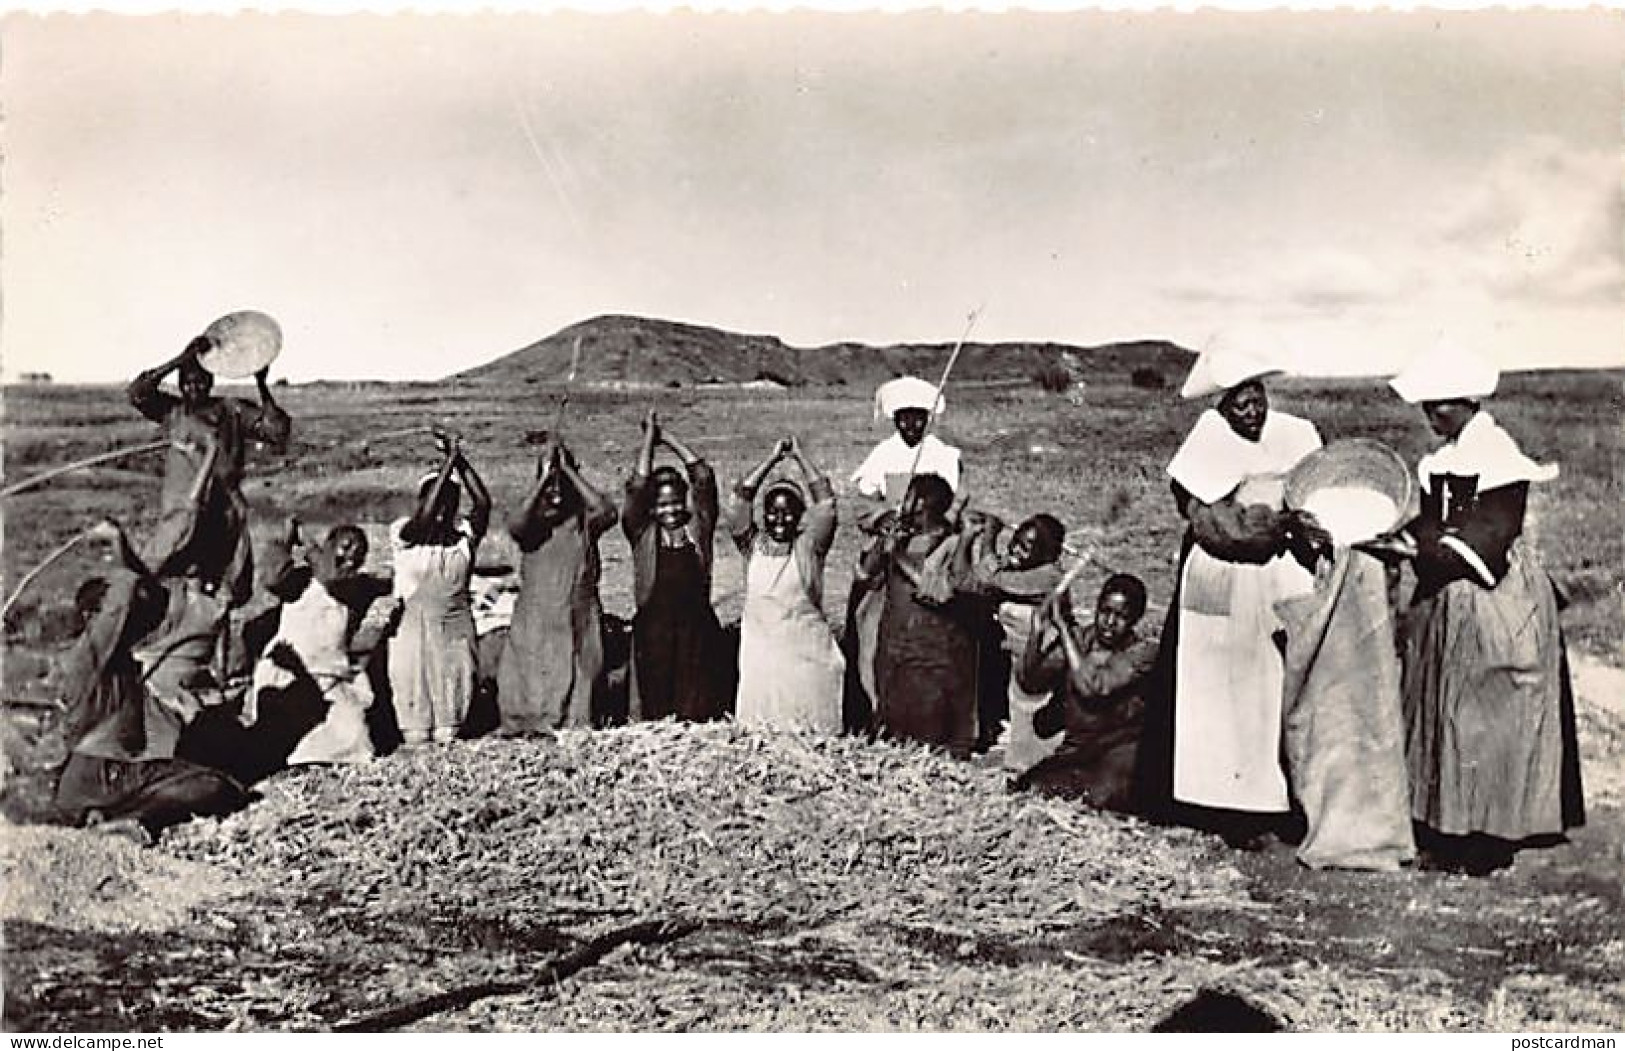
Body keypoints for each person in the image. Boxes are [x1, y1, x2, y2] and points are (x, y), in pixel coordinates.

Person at [1373, 341, 1584, 875]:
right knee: (1445, 706)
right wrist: (1406, 538)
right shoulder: (1442, 460)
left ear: (1466, 402)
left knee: (1490, 707)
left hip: (1495, 593)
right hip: (1450, 593)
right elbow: (1436, 520)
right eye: (1425, 406)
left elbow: (1492, 532)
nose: (1430, 415)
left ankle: (1491, 834)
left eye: (1438, 404)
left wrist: (1421, 550)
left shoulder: (1496, 456)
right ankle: (1448, 823)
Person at [1152, 332, 1331, 847]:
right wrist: (1275, 526)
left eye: (1257, 399)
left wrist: (1300, 527)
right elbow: (1213, 522)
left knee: (1278, 681)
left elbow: (1313, 489)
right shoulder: (1206, 439)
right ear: (1222, 405)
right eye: (1239, 404)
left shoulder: (1294, 434)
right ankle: (1227, 807)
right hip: (1226, 570)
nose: (1251, 411)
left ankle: (1284, 799)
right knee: (1222, 691)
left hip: (1282, 570)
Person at [127, 332, 291, 605]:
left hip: (223, 508)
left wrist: (261, 383)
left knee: (224, 581)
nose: (194, 388)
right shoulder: (173, 412)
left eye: (200, 381)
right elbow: (138, 394)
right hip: (182, 510)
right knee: (162, 570)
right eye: (187, 382)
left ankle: (212, 634)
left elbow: (276, 430)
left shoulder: (232, 410)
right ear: (179, 385)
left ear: (210, 381)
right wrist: (181, 358)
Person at [844, 376, 965, 734]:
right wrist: (885, 519)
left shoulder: (943, 455)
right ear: (894, 419)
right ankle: (873, 706)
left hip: (932, 550)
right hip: (889, 547)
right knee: (867, 618)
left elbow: (957, 507)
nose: (912, 425)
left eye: (919, 417)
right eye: (904, 417)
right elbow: (861, 507)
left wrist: (932, 525)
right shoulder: (883, 454)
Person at [245, 518, 394, 764]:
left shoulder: (356, 590)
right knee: (281, 740)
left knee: (356, 737)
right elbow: (270, 578)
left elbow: (383, 582)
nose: (350, 557)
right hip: (289, 677)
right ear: (328, 546)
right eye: (345, 547)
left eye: (358, 555)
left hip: (330, 680)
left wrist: (313, 550)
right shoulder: (300, 581)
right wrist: (285, 540)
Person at [497, 434, 618, 734]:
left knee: (579, 679)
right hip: (538, 619)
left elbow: (608, 511)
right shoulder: (532, 525)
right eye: (549, 485)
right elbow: (516, 524)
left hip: (579, 617)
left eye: (562, 484)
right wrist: (545, 479)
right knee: (535, 681)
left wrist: (568, 472)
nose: (556, 492)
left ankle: (574, 728)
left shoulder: (583, 523)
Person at [1011, 574, 1160, 812]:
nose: (1110, 622)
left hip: (1120, 748)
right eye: (1105, 611)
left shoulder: (1142, 653)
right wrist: (1036, 634)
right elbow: (1031, 682)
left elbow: (1094, 688)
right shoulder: (1081, 640)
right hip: (1080, 750)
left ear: (1135, 620)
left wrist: (1064, 629)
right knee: (1030, 788)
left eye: (1121, 617)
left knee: (1101, 797)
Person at [726, 435, 844, 731]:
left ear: (801, 517)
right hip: (761, 659)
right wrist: (771, 459)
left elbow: (827, 504)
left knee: (810, 729)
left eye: (788, 512)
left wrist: (801, 458)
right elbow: (739, 502)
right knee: (762, 730)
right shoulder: (752, 546)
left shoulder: (809, 548)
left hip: (805, 658)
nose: (780, 519)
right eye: (772, 511)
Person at [859, 473, 980, 758]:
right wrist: (884, 542)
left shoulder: (950, 545)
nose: (903, 503)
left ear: (921, 503)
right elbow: (864, 573)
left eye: (909, 496)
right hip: (896, 651)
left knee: (929, 741)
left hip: (933, 661)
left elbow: (939, 593)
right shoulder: (904, 537)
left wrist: (897, 556)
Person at [388, 429, 491, 746]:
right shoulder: (404, 535)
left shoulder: (463, 539)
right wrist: (447, 464)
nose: (443, 510)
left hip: (455, 628)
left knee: (451, 718)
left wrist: (459, 461)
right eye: (436, 500)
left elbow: (484, 503)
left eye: (450, 502)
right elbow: (425, 517)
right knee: (416, 715)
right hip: (413, 631)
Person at [623, 410, 727, 722]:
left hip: (696, 631)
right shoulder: (642, 534)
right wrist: (648, 442)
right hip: (654, 633)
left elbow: (704, 477)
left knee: (695, 709)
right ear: (652, 508)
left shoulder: (698, 529)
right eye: (662, 504)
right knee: (656, 708)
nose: (671, 510)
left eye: (676, 501)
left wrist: (668, 439)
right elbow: (637, 487)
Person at [957, 513, 1070, 770]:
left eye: (1027, 547)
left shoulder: (1049, 577)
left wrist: (988, 538)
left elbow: (986, 580)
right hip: (1009, 661)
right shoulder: (1016, 568)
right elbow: (969, 581)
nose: (1016, 550)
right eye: (1015, 542)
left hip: (1038, 669)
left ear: (1047, 553)